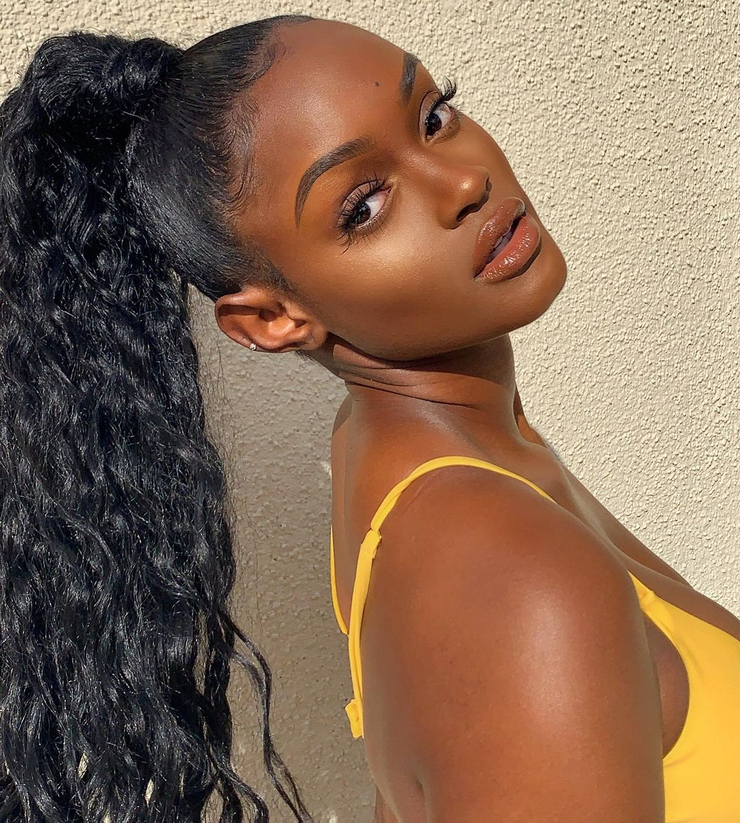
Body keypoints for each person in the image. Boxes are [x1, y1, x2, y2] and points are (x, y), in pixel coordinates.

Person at [1, 12, 738, 823]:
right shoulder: (502, 570)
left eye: (434, 115)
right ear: (272, 320)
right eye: (364, 205)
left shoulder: (426, 457)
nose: (463, 183)